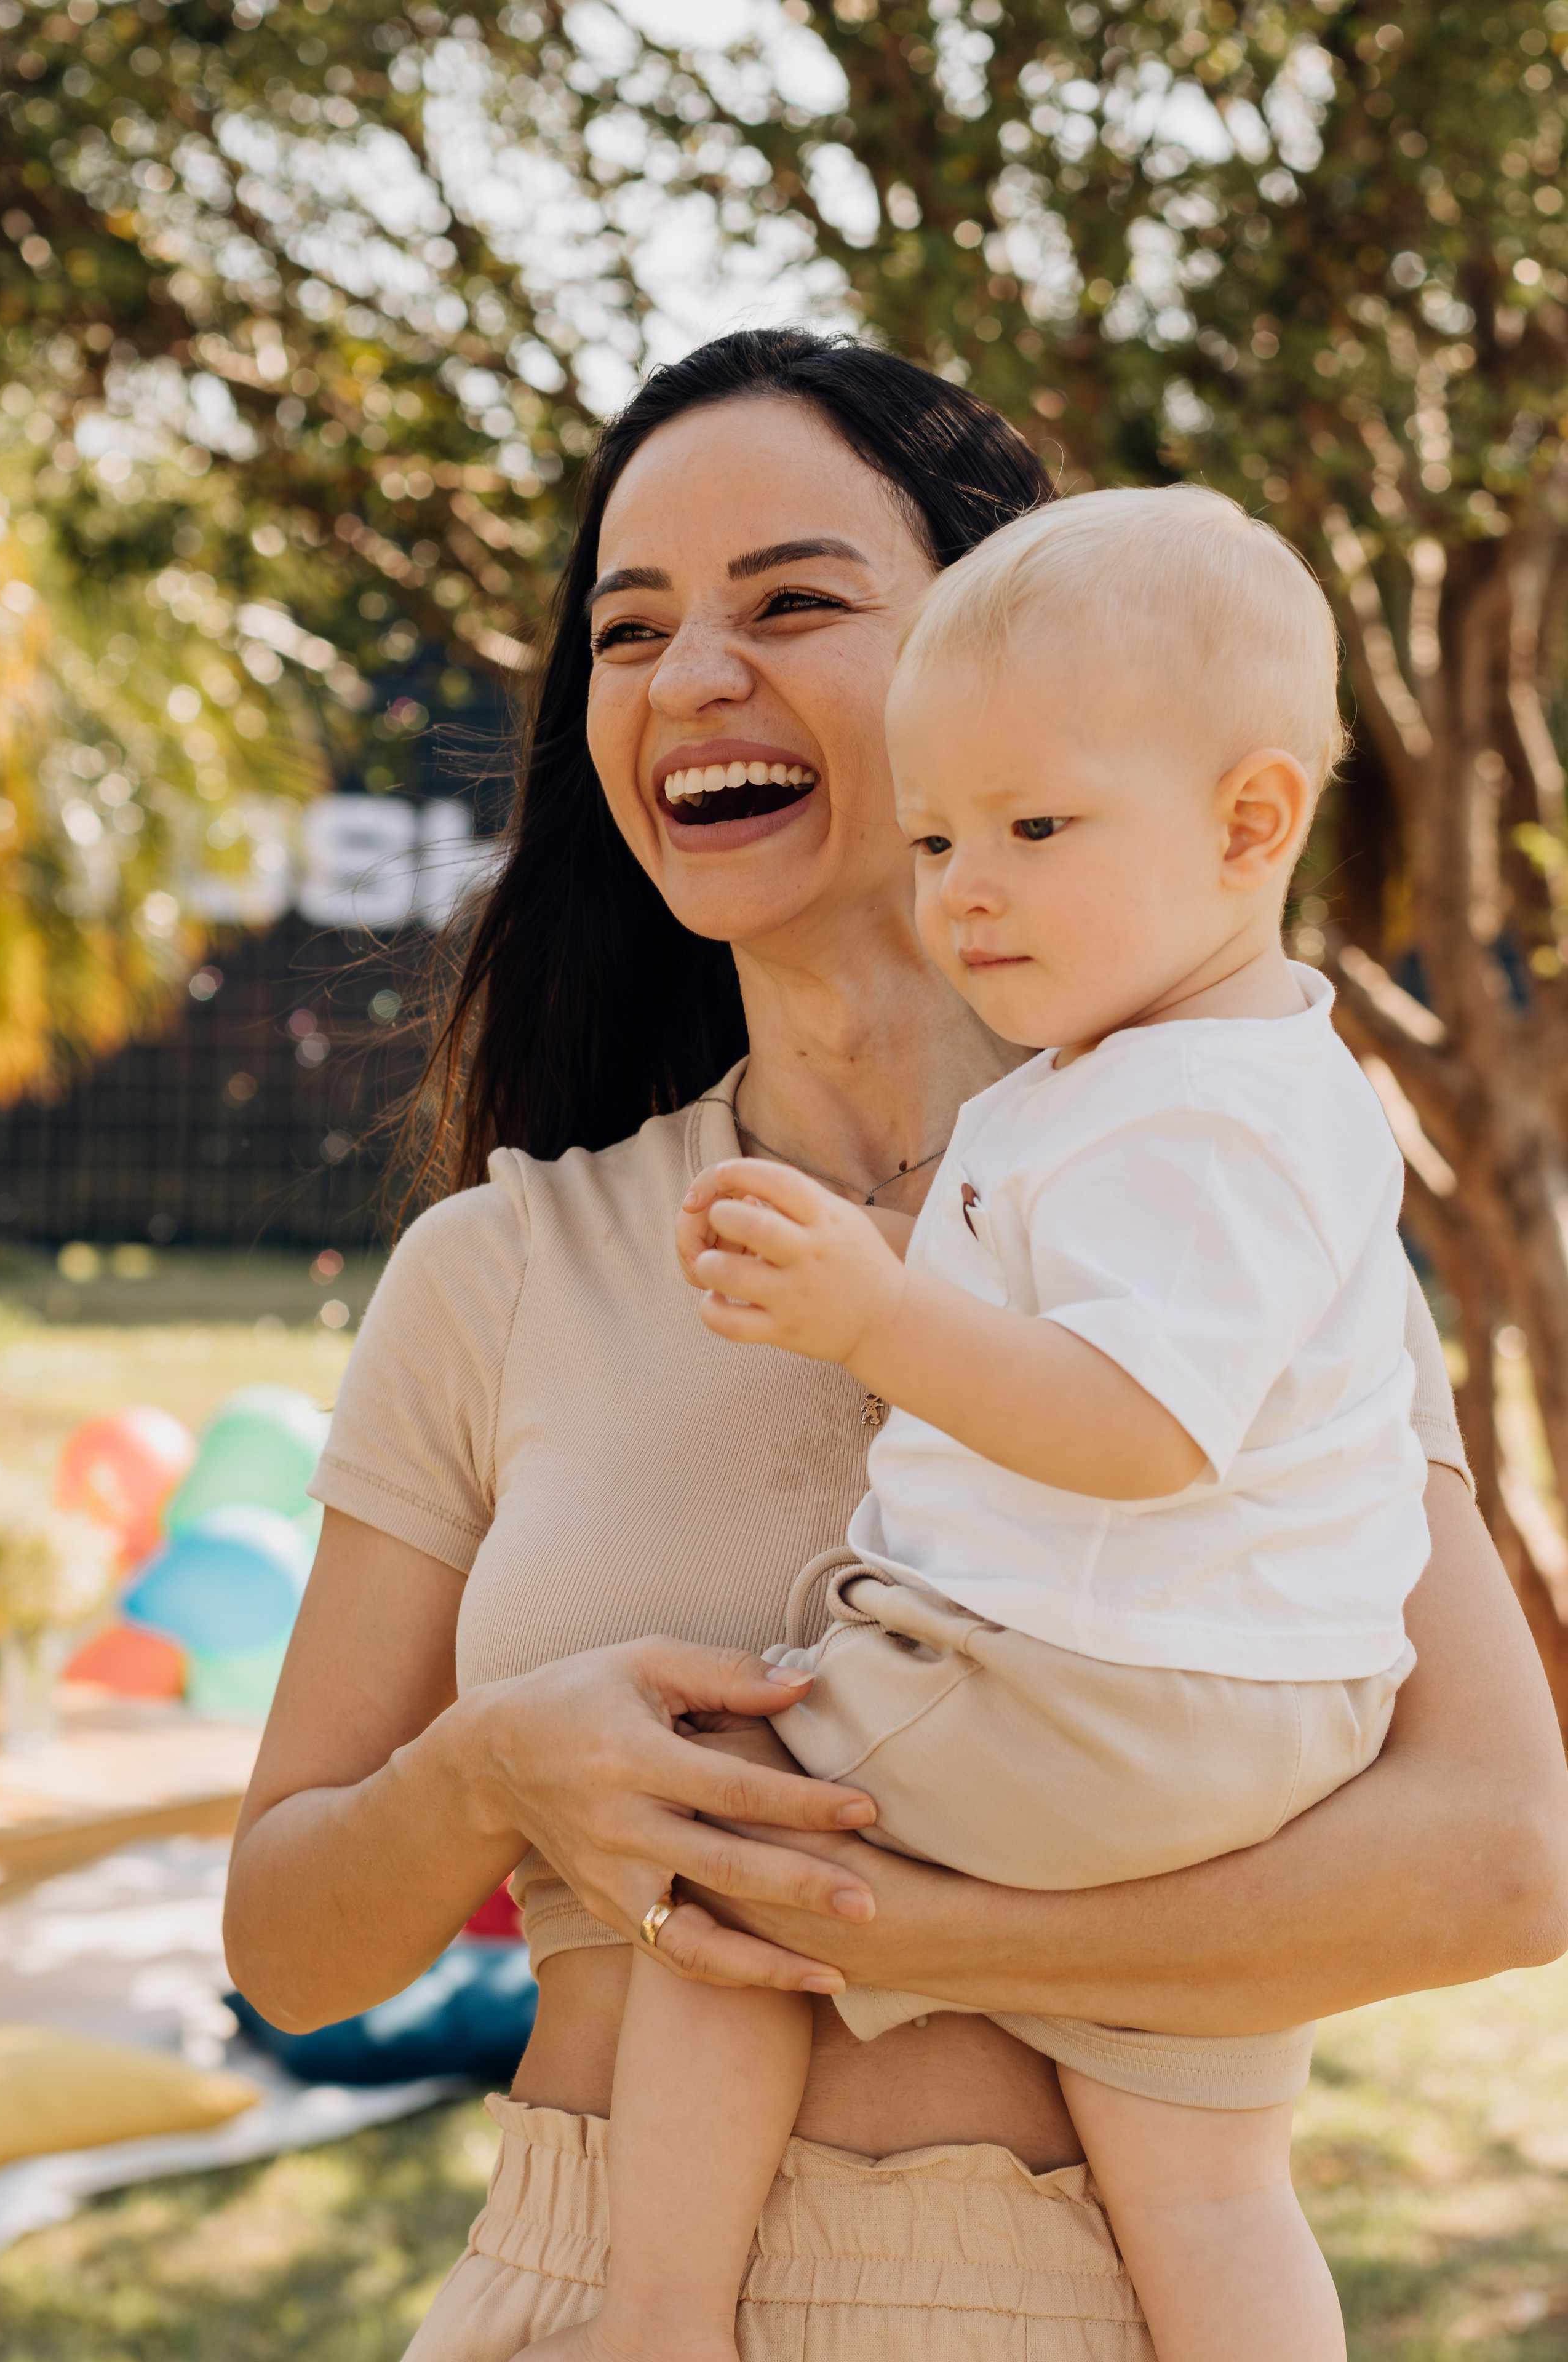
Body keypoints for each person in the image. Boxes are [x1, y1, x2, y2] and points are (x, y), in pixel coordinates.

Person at [222, 331, 1568, 2362]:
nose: (690, 683)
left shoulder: (1227, 1217)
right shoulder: (506, 1266)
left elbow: (1498, 1862)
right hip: (594, 2304)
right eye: (630, 628)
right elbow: (289, 1947)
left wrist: (921, 1936)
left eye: (791, 602)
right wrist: (494, 1772)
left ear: (1012, 644)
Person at [558, 485, 1425, 2362]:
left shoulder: (1197, 1108)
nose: (969, 886)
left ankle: (656, 2320)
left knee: (732, 1840)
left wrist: (875, 1313)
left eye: (1036, 828)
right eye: (942, 831)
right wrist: (892, 1253)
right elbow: (1069, 1299)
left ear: (1252, 823)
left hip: (1097, 1682)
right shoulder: (1190, 1082)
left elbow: (1131, 1425)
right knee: (1205, 2177)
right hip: (1251, 1730)